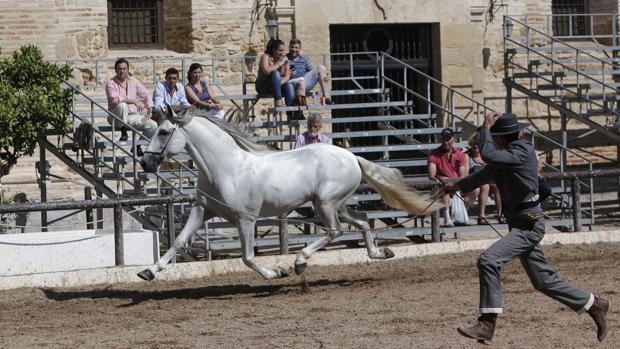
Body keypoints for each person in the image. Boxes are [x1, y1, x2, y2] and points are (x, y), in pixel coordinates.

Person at [444, 112, 609, 344]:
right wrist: (456, 186)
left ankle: (487, 324)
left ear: (500, 139)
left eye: (495, 137)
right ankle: (595, 304)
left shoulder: (520, 152)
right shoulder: (505, 158)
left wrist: (484, 131)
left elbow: (488, 156)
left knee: (488, 260)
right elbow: (482, 175)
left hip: (529, 225)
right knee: (543, 281)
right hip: (520, 224)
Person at [105, 58, 156, 142]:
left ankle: (137, 145)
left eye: (124, 69)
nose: (122, 71)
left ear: (128, 69)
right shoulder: (110, 84)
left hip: (131, 116)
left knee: (153, 125)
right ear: (115, 70)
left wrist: (150, 110)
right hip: (116, 117)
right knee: (122, 105)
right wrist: (133, 101)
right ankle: (123, 131)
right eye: (119, 69)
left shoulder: (134, 81)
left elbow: (146, 95)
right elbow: (114, 100)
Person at [427, 127, 468, 227]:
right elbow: (432, 175)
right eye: (444, 138)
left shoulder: (459, 154)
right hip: (442, 184)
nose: (446, 141)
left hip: (456, 183)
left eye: (448, 138)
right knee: (444, 188)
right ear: (441, 139)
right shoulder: (433, 154)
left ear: (453, 139)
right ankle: (447, 217)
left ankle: (460, 214)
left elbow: (462, 174)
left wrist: (455, 183)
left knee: (476, 189)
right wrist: (444, 181)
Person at [463, 134, 504, 225]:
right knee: (485, 186)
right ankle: (481, 216)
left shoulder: (487, 154)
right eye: (473, 144)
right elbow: (466, 173)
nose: (476, 146)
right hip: (474, 179)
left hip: (488, 179)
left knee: (497, 185)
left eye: (478, 143)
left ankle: (500, 214)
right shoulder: (467, 155)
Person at [287, 39, 332, 106]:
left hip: (303, 82)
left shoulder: (304, 59)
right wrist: (288, 74)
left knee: (321, 68)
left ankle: (326, 97)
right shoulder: (285, 58)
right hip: (290, 83)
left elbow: (313, 71)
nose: (294, 49)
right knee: (300, 82)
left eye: (296, 48)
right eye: (292, 47)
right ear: (289, 47)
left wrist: (324, 75)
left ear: (300, 49)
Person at [255, 39, 294, 108]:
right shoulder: (265, 57)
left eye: (283, 50)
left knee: (289, 85)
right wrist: (279, 64)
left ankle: (291, 112)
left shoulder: (285, 59)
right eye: (280, 50)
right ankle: (278, 99)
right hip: (263, 86)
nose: (282, 53)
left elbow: (287, 76)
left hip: (276, 87)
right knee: (275, 73)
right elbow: (266, 71)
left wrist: (278, 83)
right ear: (273, 50)